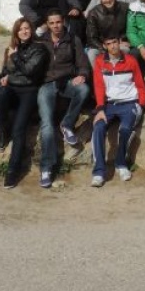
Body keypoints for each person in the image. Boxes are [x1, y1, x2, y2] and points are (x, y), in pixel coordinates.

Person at [35, 10, 91, 188]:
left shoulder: (72, 39)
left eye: (58, 22)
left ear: (63, 22)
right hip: (47, 84)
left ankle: (67, 124)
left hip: (66, 81)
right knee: (46, 124)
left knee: (83, 89)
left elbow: (83, 62)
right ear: (47, 24)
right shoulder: (40, 41)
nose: (55, 26)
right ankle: (46, 168)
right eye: (51, 23)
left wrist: (82, 74)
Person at [0, 17, 51, 189]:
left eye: (27, 28)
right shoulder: (10, 49)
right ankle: (3, 132)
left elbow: (30, 71)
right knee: (1, 93)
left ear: (31, 30)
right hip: (11, 90)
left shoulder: (39, 48)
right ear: (16, 33)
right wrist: (0, 79)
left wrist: (15, 56)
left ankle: (12, 172)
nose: (24, 31)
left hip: (29, 91)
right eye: (20, 29)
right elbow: (4, 71)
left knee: (19, 130)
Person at [89, 34, 145, 187]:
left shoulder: (131, 60)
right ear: (104, 46)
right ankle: (99, 171)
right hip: (108, 104)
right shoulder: (100, 61)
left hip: (129, 103)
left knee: (126, 129)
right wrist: (100, 108)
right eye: (109, 43)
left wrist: (140, 104)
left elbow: (140, 85)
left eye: (115, 42)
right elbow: (99, 86)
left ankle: (121, 164)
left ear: (119, 43)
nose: (113, 46)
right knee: (98, 127)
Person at [85, 0, 130, 65]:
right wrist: (104, 47)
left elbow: (131, 29)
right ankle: (99, 77)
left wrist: (127, 41)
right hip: (101, 45)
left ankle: (120, 74)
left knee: (125, 49)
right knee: (91, 53)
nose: (108, 0)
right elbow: (91, 37)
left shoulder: (125, 8)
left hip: (119, 43)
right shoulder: (94, 13)